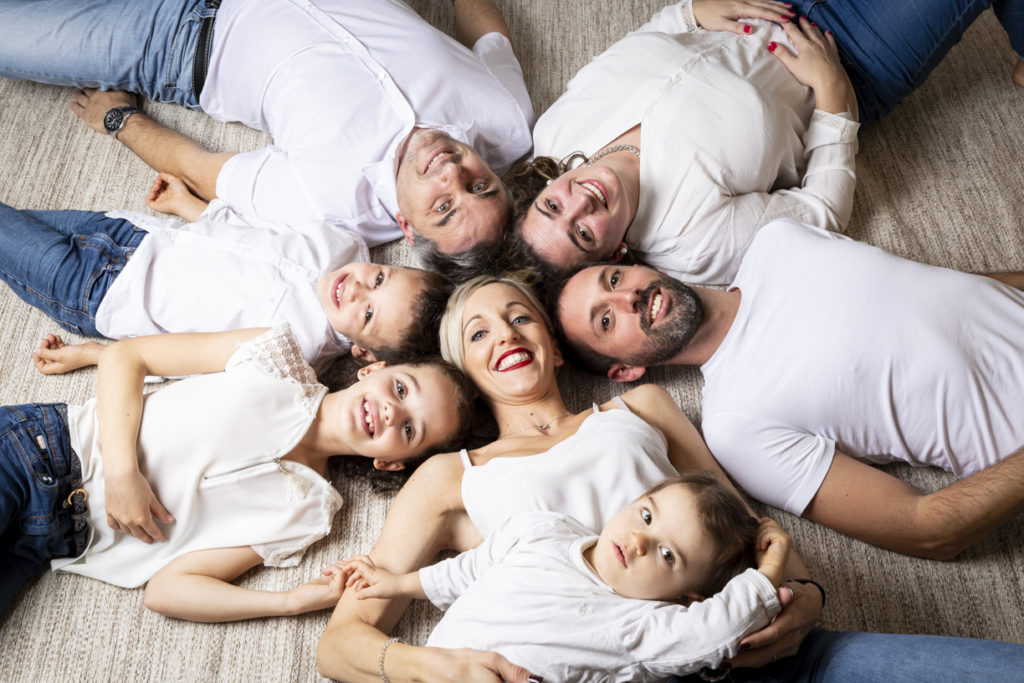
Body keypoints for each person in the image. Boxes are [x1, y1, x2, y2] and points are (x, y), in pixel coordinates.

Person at [316, 275, 828, 682]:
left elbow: (745, 521)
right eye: (479, 333)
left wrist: (806, 593)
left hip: (742, 643)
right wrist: (433, 667)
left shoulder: (641, 407)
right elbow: (340, 645)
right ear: (466, 376)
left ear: (555, 348)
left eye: (520, 318)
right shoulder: (452, 476)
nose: (507, 334)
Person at [552, 217, 1024, 560]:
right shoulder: (736, 425)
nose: (627, 296)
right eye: (607, 319)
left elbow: (938, 291)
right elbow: (926, 531)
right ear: (624, 371)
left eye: (613, 279)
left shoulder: (778, 240)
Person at [506, 0, 1024, 284]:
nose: (579, 202)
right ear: (615, 252)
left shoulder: (555, 134)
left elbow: (632, 50)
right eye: (582, 234)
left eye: (553, 204)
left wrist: (692, 12)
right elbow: (821, 212)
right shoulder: (691, 242)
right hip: (850, 55)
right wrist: (834, 96)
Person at [0, 0, 534, 269]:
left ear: (409, 229)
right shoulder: (506, 119)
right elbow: (487, 33)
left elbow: (202, 171)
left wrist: (120, 121)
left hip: (179, 36)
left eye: (443, 206)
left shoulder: (333, 209)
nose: (452, 173)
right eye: (480, 186)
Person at [2, 322, 475, 619]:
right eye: (400, 388)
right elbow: (127, 357)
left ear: (390, 461)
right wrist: (123, 471)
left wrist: (289, 602)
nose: (393, 411)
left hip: (49, 544)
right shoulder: (273, 357)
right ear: (372, 371)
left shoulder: (308, 513)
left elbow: (167, 591)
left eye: (410, 429)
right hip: (41, 451)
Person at [340, 475, 792, 682]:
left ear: (689, 595)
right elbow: (474, 567)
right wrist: (399, 585)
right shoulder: (544, 529)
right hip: (429, 671)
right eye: (647, 515)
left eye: (668, 554)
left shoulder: (641, 624)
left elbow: (713, 631)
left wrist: (768, 574)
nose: (638, 541)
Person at [0, 172, 452, 373]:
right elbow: (252, 232)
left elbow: (185, 362)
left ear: (364, 354)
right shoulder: (344, 243)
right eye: (378, 279)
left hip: (98, 293)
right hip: (128, 231)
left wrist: (93, 355)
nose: (355, 289)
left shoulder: (291, 349)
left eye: (368, 315)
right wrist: (189, 207)